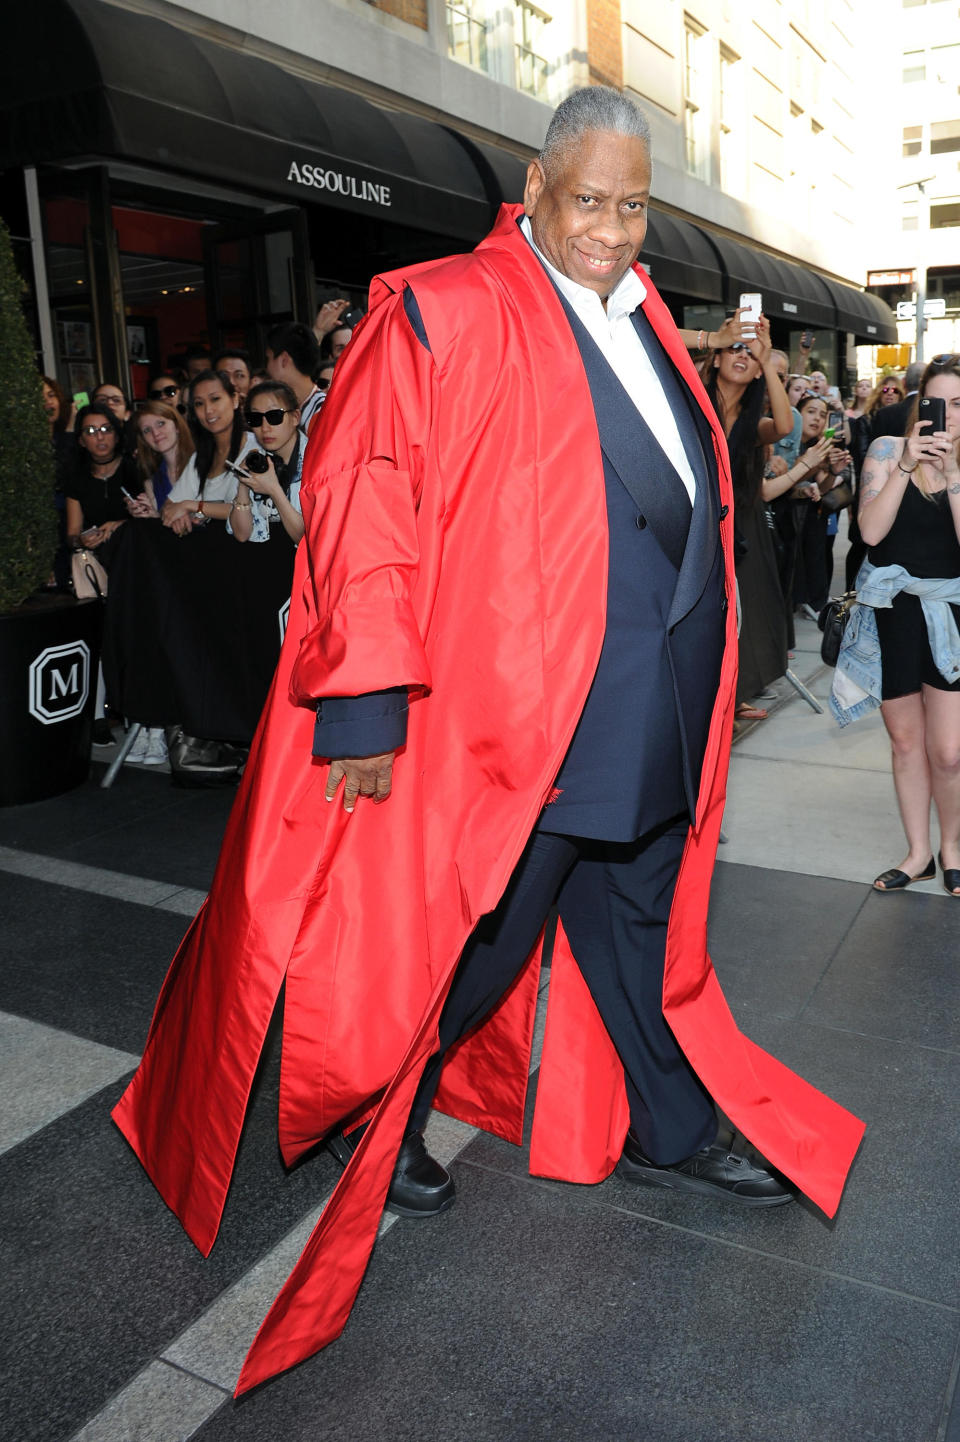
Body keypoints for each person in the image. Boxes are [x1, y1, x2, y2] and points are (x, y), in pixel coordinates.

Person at [113, 87, 864, 1395]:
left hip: (661, 709)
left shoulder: (659, 338)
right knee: (481, 937)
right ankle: (377, 1102)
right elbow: (368, 500)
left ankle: (671, 1126)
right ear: (534, 186)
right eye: (591, 200)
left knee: (642, 927)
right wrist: (360, 700)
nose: (613, 228)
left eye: (634, 205)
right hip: (528, 721)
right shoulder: (440, 310)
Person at [852, 355, 960, 895]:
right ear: (921, 407)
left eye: (959, 405)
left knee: (949, 750)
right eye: (938, 404)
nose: (949, 418)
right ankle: (919, 853)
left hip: (952, 615)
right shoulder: (887, 451)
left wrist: (954, 475)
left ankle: (953, 847)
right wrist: (904, 467)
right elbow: (870, 533)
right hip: (894, 610)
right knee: (905, 741)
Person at [699, 326, 793, 719]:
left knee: (739, 613)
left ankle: (731, 694)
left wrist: (768, 358)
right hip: (692, 524)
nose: (742, 356)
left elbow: (785, 427)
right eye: (734, 349)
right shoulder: (691, 400)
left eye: (750, 355)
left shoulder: (754, 425)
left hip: (734, 528)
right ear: (717, 358)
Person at [163, 369, 255, 534]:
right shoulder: (200, 456)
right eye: (199, 403)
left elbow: (254, 510)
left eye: (215, 399)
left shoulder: (256, 448)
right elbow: (170, 507)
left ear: (234, 400)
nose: (208, 410)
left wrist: (193, 506)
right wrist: (181, 516)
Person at [227, 381, 305, 545]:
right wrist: (243, 485)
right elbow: (241, 534)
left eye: (274, 416)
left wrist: (273, 490)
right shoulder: (257, 459)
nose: (265, 427)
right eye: (255, 419)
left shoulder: (316, 462)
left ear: (295, 417)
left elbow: (305, 539)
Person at [133, 401, 195, 515]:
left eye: (161, 424)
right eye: (147, 430)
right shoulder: (151, 484)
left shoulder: (201, 464)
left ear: (177, 426)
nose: (155, 433)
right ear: (144, 440)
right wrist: (152, 517)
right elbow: (164, 530)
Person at [264, 321, 324, 432]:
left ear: (284, 360)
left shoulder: (323, 414)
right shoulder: (318, 408)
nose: (267, 368)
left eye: (268, 359)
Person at [871, 361, 924, 439]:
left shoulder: (883, 414)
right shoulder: (936, 411)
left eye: (895, 390)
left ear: (903, 382)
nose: (890, 393)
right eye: (885, 390)